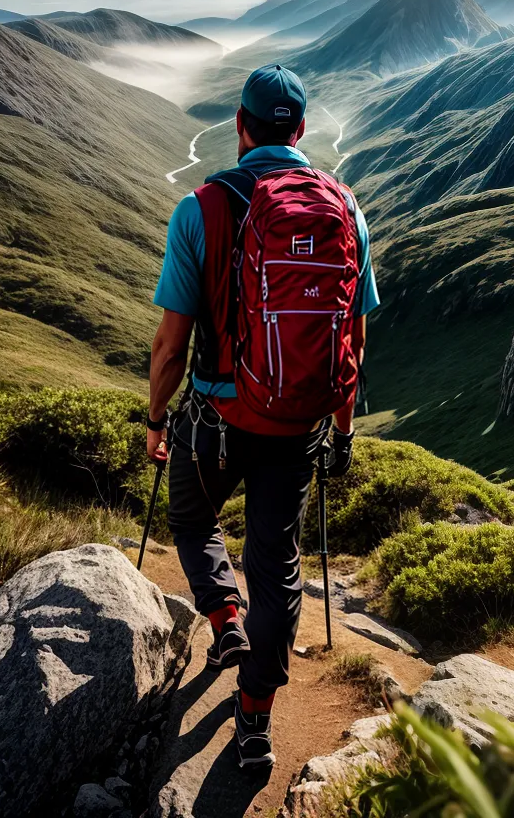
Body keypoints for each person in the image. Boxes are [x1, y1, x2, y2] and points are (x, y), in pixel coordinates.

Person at [146, 64, 379, 768]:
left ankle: (224, 622)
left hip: (214, 422)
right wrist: (340, 434)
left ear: (242, 128)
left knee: (190, 519)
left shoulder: (202, 208)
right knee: (276, 565)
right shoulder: (345, 208)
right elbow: (352, 338)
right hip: (297, 428)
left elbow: (169, 344)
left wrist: (157, 420)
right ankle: (254, 718)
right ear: (300, 130)